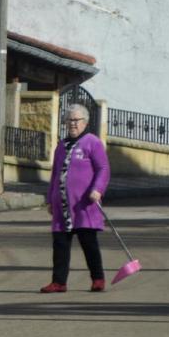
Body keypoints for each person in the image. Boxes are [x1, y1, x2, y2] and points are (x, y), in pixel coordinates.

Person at [42, 103, 110, 293]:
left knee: (89, 244)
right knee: (60, 245)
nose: (72, 124)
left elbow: (103, 169)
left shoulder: (92, 142)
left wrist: (98, 189)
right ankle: (59, 282)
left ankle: (98, 279)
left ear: (85, 122)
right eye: (69, 120)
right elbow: (55, 173)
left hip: (84, 205)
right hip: (62, 204)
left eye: (76, 120)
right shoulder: (61, 146)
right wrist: (50, 199)